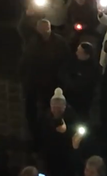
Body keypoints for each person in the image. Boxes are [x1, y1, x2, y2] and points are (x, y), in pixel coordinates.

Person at [19, 19, 70, 147]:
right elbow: (25, 62)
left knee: (49, 111)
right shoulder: (32, 43)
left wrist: (61, 79)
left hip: (51, 83)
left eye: (47, 29)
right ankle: (35, 135)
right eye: (42, 30)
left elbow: (66, 61)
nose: (45, 33)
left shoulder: (59, 43)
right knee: (31, 110)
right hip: (34, 82)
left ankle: (50, 134)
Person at [38, 88, 79, 176]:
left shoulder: (71, 116)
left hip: (66, 157)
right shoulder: (47, 116)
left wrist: (66, 131)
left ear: (64, 107)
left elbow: (76, 133)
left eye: (58, 108)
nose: (56, 110)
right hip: (50, 156)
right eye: (54, 107)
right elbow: (43, 136)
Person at [59, 42, 100, 117]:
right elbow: (63, 71)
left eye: (79, 51)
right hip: (69, 97)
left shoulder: (93, 68)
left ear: (86, 55)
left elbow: (88, 84)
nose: (76, 52)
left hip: (83, 101)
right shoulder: (73, 59)